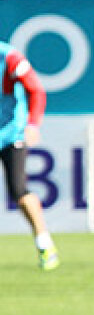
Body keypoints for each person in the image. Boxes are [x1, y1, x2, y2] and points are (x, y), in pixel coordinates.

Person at [1, 40, 59, 270]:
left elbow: (36, 90)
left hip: (11, 134)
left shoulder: (9, 58)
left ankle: (44, 244)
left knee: (18, 191)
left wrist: (33, 124)